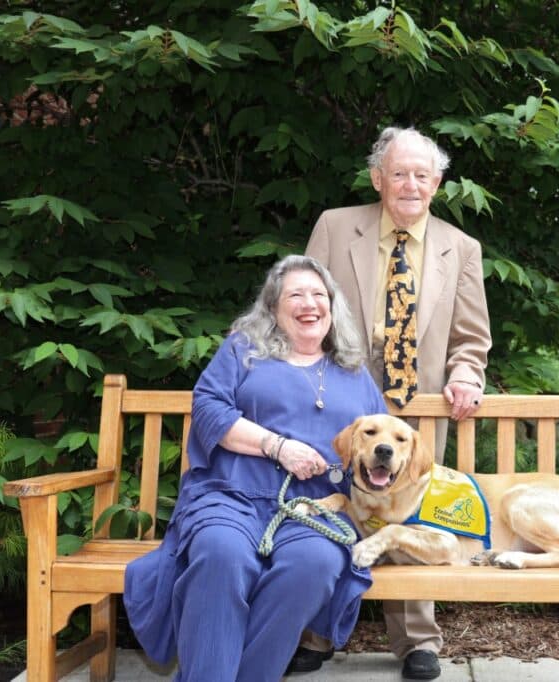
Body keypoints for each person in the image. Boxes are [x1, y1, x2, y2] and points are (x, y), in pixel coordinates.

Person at [123, 255, 388, 682]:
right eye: (295, 294)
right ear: (273, 308)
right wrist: (276, 445)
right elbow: (208, 408)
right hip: (232, 494)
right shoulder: (243, 352)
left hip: (315, 509)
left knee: (315, 565)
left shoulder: (354, 373)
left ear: (333, 308)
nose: (309, 303)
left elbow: (382, 441)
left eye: (319, 294)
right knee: (220, 556)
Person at [304, 126, 492, 680]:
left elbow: (471, 336)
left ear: (437, 184)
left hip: (418, 408)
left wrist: (465, 374)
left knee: (412, 511)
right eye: (399, 173)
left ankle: (416, 642)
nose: (410, 184)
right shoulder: (336, 228)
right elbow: (304, 306)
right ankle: (316, 632)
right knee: (330, 502)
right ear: (377, 178)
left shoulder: (462, 248)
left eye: (422, 175)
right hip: (342, 403)